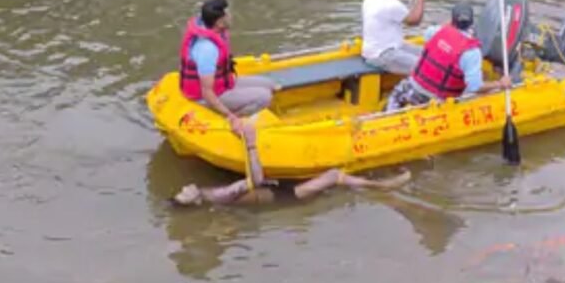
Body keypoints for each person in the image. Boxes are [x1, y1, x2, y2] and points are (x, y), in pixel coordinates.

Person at [171, 123, 412, 206]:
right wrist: (251, 144)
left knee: (330, 179)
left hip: (274, 188)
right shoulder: (218, 195)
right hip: (284, 194)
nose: (185, 189)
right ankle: (384, 187)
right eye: (185, 195)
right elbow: (252, 182)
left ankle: (375, 185)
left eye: (181, 191)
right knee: (334, 176)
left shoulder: (207, 193)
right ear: (196, 201)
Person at [385, 2, 513, 112]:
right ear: (471, 23)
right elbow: (475, 86)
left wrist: (449, 25)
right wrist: (500, 84)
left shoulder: (436, 32)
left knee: (394, 99)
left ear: (452, 20)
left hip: (410, 89)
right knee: (482, 88)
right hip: (434, 100)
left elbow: (427, 34)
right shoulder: (472, 52)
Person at [180, 0, 278, 134]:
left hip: (222, 84)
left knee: (270, 84)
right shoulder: (207, 49)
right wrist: (229, 115)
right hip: (207, 96)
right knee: (264, 96)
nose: (230, 16)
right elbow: (207, 93)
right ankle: (233, 119)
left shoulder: (213, 28)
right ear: (219, 22)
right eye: (227, 14)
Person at [361, 0, 429, 75]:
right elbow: (415, 20)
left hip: (387, 47)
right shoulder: (392, 4)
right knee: (427, 67)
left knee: (430, 54)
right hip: (381, 55)